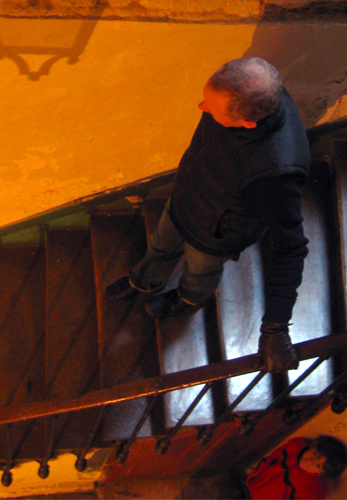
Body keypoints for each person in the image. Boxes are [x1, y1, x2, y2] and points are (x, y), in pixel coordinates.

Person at [105, 57, 310, 373]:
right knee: (160, 246)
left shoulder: (276, 173)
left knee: (199, 272)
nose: (202, 107)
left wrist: (276, 326)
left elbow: (290, 248)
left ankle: (188, 299)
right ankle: (142, 282)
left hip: (214, 234)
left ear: (246, 124)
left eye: (211, 109)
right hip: (186, 198)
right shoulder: (259, 92)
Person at [244, 435, 347, 499]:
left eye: (318, 465)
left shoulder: (312, 491)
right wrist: (257, 473)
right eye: (314, 454)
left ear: (322, 473)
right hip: (251, 483)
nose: (311, 461)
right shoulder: (296, 445)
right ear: (312, 446)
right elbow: (274, 455)